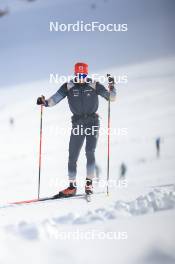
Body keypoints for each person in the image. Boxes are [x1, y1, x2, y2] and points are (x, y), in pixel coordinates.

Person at [37, 62, 116, 197]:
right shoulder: (68, 86)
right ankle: (72, 187)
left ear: (86, 74)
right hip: (78, 123)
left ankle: (89, 184)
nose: (81, 77)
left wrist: (112, 86)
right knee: (72, 155)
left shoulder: (94, 84)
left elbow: (111, 98)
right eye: (78, 74)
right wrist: (44, 102)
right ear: (75, 74)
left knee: (90, 151)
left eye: (83, 74)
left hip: (92, 122)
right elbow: (55, 99)